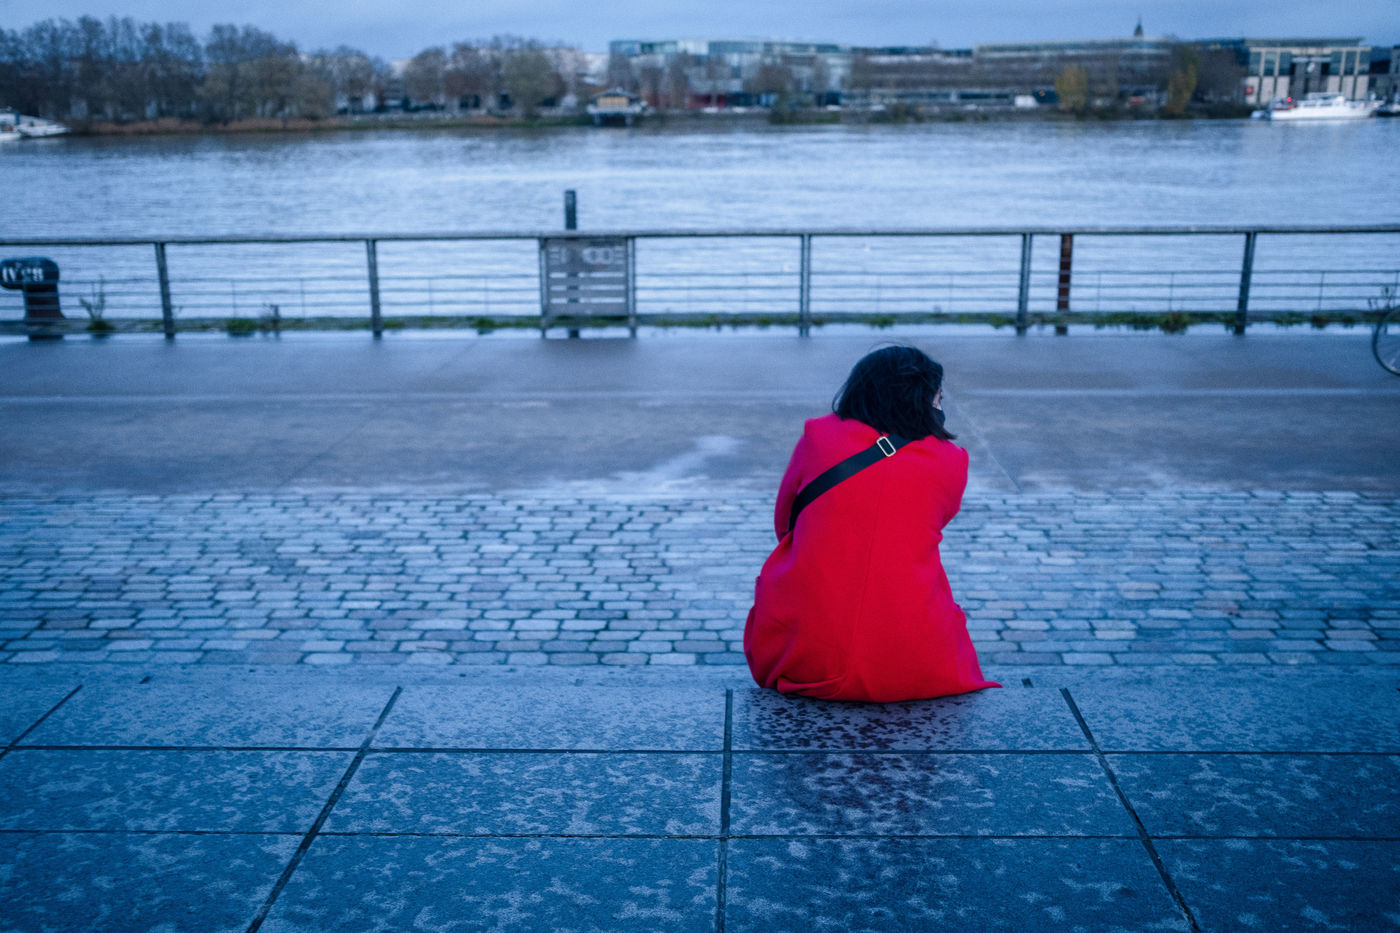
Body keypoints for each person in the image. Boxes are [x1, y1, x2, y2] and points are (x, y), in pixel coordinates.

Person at [744, 345, 999, 703]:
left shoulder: (818, 436)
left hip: (805, 654)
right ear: (923, 400)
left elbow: (785, 522)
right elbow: (936, 519)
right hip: (917, 660)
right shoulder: (952, 460)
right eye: (938, 398)